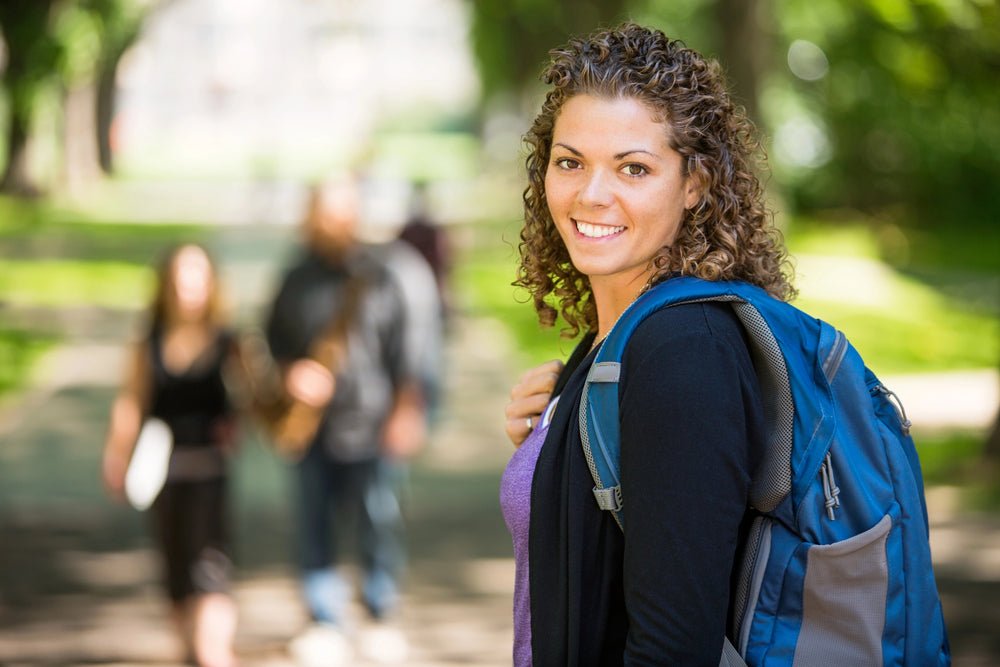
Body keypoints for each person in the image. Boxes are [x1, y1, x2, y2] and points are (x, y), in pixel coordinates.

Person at [500, 23, 795, 666]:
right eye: (569, 161)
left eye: (633, 168)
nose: (591, 193)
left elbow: (673, 650)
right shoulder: (617, 340)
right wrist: (553, 444)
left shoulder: (684, 350)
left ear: (695, 184)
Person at [264, 174, 427, 664]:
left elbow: (408, 349)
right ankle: (324, 620)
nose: (334, 222)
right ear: (311, 217)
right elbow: (272, 340)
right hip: (311, 428)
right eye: (325, 213)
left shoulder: (383, 273)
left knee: (378, 524)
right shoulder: (294, 277)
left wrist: (407, 410)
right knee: (313, 524)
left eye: (343, 212)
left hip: (373, 423)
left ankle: (380, 615)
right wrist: (291, 373)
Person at [102, 244, 244, 667]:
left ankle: (213, 650)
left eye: (197, 278)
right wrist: (117, 452)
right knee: (176, 569)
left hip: (211, 472)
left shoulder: (229, 341)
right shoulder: (150, 342)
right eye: (181, 278)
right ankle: (191, 646)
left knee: (212, 568)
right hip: (163, 472)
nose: (188, 289)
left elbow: (254, 398)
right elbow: (132, 399)